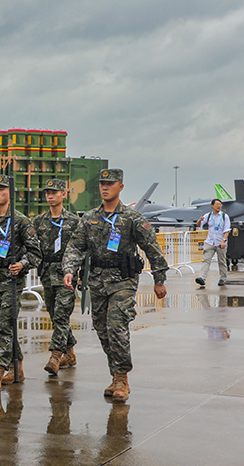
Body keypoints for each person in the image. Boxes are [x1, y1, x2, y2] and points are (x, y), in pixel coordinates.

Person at [62, 169, 168, 402]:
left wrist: (159, 280)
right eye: (102, 183)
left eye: (110, 184)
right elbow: (75, 247)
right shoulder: (89, 218)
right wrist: (69, 270)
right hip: (97, 281)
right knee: (102, 329)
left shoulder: (132, 218)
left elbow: (152, 248)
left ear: (121, 186)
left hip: (123, 280)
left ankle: (121, 378)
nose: (105, 187)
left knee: (116, 326)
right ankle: (116, 374)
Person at [0, 173, 40, 394]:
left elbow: (36, 252)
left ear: (9, 193)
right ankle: (17, 367)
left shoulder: (21, 221)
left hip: (12, 280)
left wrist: (22, 264)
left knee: (6, 325)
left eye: (2, 189)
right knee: (0, 327)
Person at [32, 178, 81, 375]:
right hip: (47, 274)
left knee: (61, 315)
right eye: (47, 193)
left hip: (66, 275)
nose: (50, 196)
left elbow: (80, 248)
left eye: (54, 192)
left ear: (64, 194)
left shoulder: (74, 221)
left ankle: (55, 355)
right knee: (55, 315)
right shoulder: (39, 221)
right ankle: (70, 353)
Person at [195, 198, 230, 287]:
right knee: (206, 260)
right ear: (212, 205)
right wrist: (199, 220)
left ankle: (223, 278)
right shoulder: (208, 215)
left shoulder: (224, 216)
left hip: (220, 242)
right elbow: (199, 225)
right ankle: (202, 278)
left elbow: (227, 230)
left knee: (221, 261)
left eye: (220, 204)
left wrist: (223, 241)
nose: (219, 206)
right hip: (210, 241)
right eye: (217, 204)